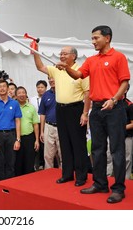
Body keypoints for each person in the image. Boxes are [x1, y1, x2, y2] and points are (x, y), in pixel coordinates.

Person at [57, 25, 130, 203]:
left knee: (117, 150)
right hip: (96, 110)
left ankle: (118, 189)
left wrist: (113, 100)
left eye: (96, 38)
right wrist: (66, 67)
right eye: (92, 38)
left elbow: (125, 83)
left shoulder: (119, 57)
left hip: (114, 108)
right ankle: (100, 183)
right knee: (97, 149)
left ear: (107, 38)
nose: (93, 42)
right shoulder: (91, 60)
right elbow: (78, 75)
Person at [34, 44, 90, 187]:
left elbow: (87, 93)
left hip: (75, 109)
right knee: (64, 143)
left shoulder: (81, 70)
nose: (62, 56)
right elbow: (40, 67)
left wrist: (85, 113)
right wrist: (35, 52)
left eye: (65, 54)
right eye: (61, 53)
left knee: (77, 144)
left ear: (73, 56)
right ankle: (67, 174)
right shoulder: (57, 69)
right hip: (61, 109)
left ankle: (81, 176)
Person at [0, 80, 22, 181]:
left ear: (7, 88)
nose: (2, 88)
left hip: (11, 134)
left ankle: (10, 186)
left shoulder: (14, 103)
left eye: (4, 86)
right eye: (0, 87)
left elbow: (18, 121)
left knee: (11, 162)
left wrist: (18, 139)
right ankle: (0, 189)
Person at [14, 86, 40, 175]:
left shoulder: (31, 107)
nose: (21, 94)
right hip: (16, 139)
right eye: (19, 93)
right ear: (16, 96)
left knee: (29, 162)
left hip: (29, 138)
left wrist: (36, 140)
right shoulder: (13, 107)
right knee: (18, 163)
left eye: (23, 92)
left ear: (26, 94)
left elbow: (35, 124)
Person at [38, 77, 61, 169]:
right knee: (48, 155)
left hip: (62, 127)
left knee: (62, 154)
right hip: (48, 126)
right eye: (49, 78)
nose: (51, 80)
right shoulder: (46, 95)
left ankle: (64, 175)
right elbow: (42, 113)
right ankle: (48, 176)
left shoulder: (64, 93)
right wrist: (42, 131)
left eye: (53, 78)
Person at [29, 80, 48, 171]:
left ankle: (45, 163)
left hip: (46, 123)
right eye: (38, 87)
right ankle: (38, 163)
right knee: (36, 143)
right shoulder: (32, 99)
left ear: (45, 88)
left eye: (42, 87)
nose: (40, 89)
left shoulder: (49, 97)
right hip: (35, 123)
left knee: (45, 143)